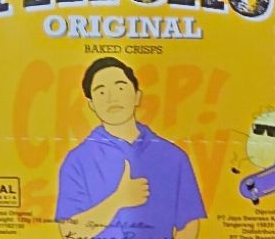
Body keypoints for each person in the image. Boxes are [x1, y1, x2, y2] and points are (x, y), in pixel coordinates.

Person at [55, 57, 206, 239]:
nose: (111, 98)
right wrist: (118, 200)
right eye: (101, 92)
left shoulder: (174, 157)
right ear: (92, 104)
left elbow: (188, 225)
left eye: (120, 88)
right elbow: (70, 232)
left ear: (137, 96)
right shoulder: (77, 161)